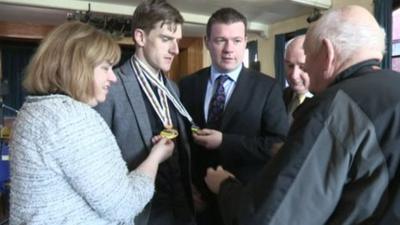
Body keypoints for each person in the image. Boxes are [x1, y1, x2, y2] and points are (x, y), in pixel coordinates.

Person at [204, 5, 400, 225]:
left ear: (327, 53)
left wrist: (225, 186)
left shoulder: (334, 107)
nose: (302, 71)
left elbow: (271, 218)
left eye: (306, 56)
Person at [9, 21, 175, 225]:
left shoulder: (31, 111)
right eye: (106, 67)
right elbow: (123, 205)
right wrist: (156, 156)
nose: (113, 78)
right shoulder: (73, 119)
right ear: (78, 68)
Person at [179, 7, 288, 225]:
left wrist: (225, 141)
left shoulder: (267, 88)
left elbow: (278, 145)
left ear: (245, 41)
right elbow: (182, 142)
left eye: (236, 40)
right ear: (207, 42)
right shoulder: (187, 85)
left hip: (243, 199)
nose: (229, 49)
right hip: (196, 202)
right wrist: (185, 186)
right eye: (220, 40)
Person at [94, 0, 195, 225]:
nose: (175, 50)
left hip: (182, 211)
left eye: (177, 41)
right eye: (166, 39)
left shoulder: (172, 87)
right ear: (140, 37)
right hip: (141, 216)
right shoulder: (111, 87)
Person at [283, 34, 313, 125]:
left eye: (302, 67)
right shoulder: (279, 96)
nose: (294, 76)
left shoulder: (330, 102)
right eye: (290, 66)